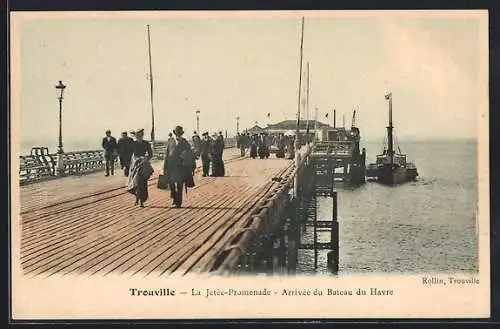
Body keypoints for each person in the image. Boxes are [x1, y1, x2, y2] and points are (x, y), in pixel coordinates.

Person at [164, 126, 195, 208]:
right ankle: (174, 197)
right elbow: (167, 153)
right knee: (171, 183)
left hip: (181, 165)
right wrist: (164, 166)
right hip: (171, 165)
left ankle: (178, 202)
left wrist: (186, 157)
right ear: (174, 133)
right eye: (177, 134)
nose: (178, 135)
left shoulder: (184, 141)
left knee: (179, 183)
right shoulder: (170, 140)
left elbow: (189, 152)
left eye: (180, 134)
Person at [126, 129, 154, 207]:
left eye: (141, 135)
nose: (139, 137)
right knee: (135, 182)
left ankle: (141, 200)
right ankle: (137, 198)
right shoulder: (133, 144)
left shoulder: (146, 143)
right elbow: (130, 153)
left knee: (142, 183)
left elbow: (150, 154)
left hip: (144, 165)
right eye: (138, 136)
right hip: (135, 164)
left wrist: (145, 158)